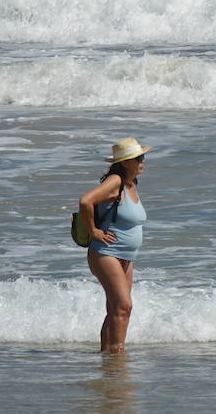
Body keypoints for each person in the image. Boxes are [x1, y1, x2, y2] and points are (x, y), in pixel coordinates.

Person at [79, 136, 150, 353]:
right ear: (125, 162)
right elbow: (85, 201)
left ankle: (109, 354)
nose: (142, 161)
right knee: (123, 306)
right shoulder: (115, 182)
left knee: (116, 309)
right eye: (138, 158)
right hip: (106, 253)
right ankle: (116, 355)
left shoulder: (130, 185)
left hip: (127, 257)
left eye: (143, 157)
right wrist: (94, 231)